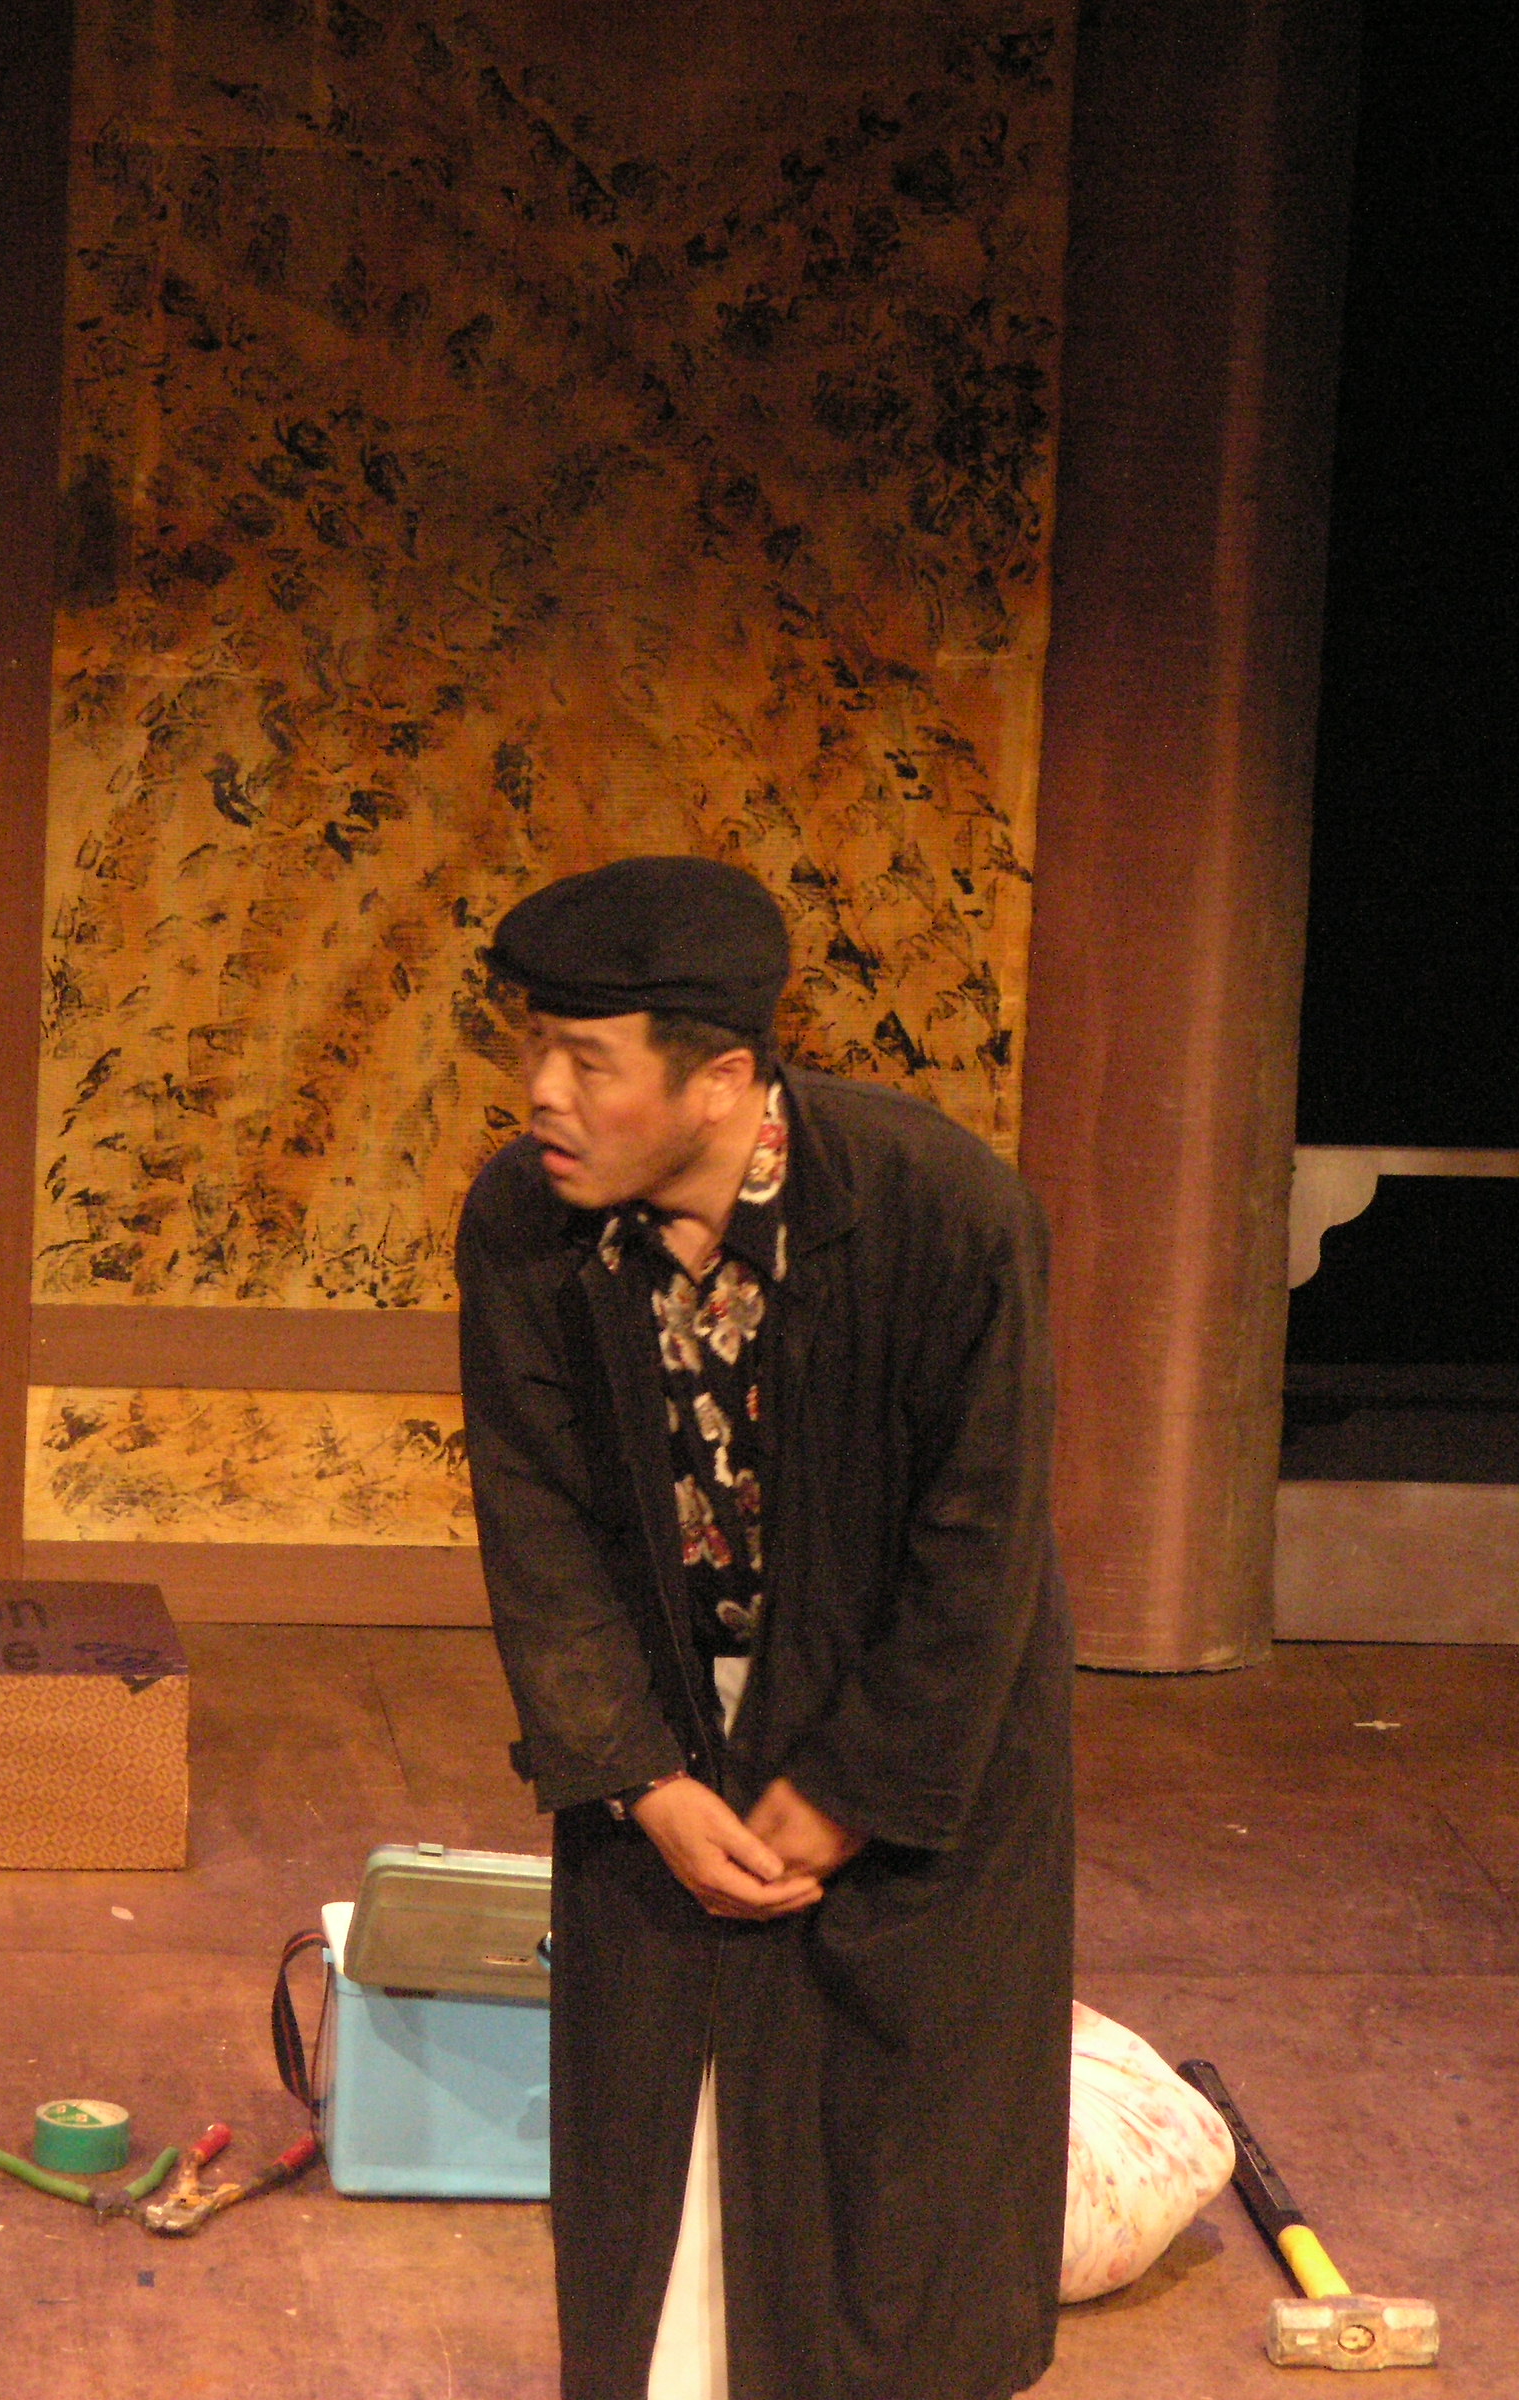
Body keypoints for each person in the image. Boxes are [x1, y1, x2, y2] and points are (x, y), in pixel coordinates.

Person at [457, 857, 1074, 2400]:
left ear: (723, 1078)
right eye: (536, 1049)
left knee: (897, 2206)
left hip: (912, 1738)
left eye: (587, 1060)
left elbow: (981, 1544)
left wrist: (858, 1783)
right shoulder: (526, 1226)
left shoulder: (942, 1214)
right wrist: (639, 1777)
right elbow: (540, 1527)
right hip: (664, 1740)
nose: (542, 1094)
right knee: (661, 2183)